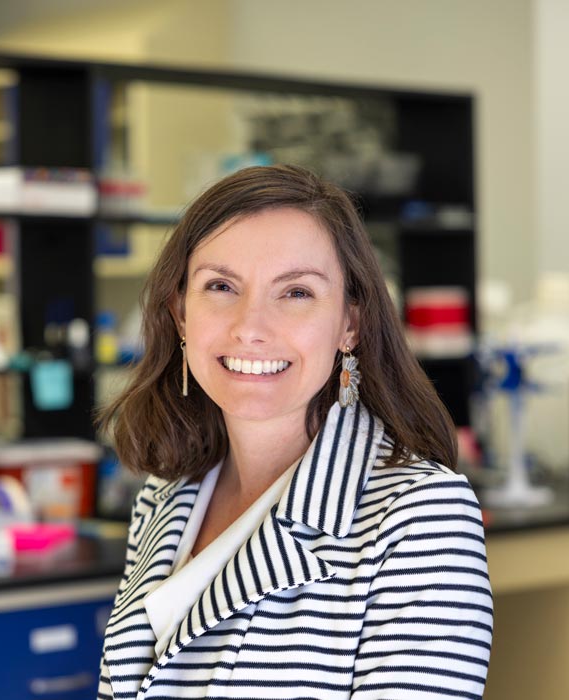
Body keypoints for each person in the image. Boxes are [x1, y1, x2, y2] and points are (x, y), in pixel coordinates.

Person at [97, 165, 492, 699]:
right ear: (181, 314)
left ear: (350, 323)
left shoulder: (421, 516)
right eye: (220, 286)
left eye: (297, 292)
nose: (250, 327)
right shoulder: (167, 493)